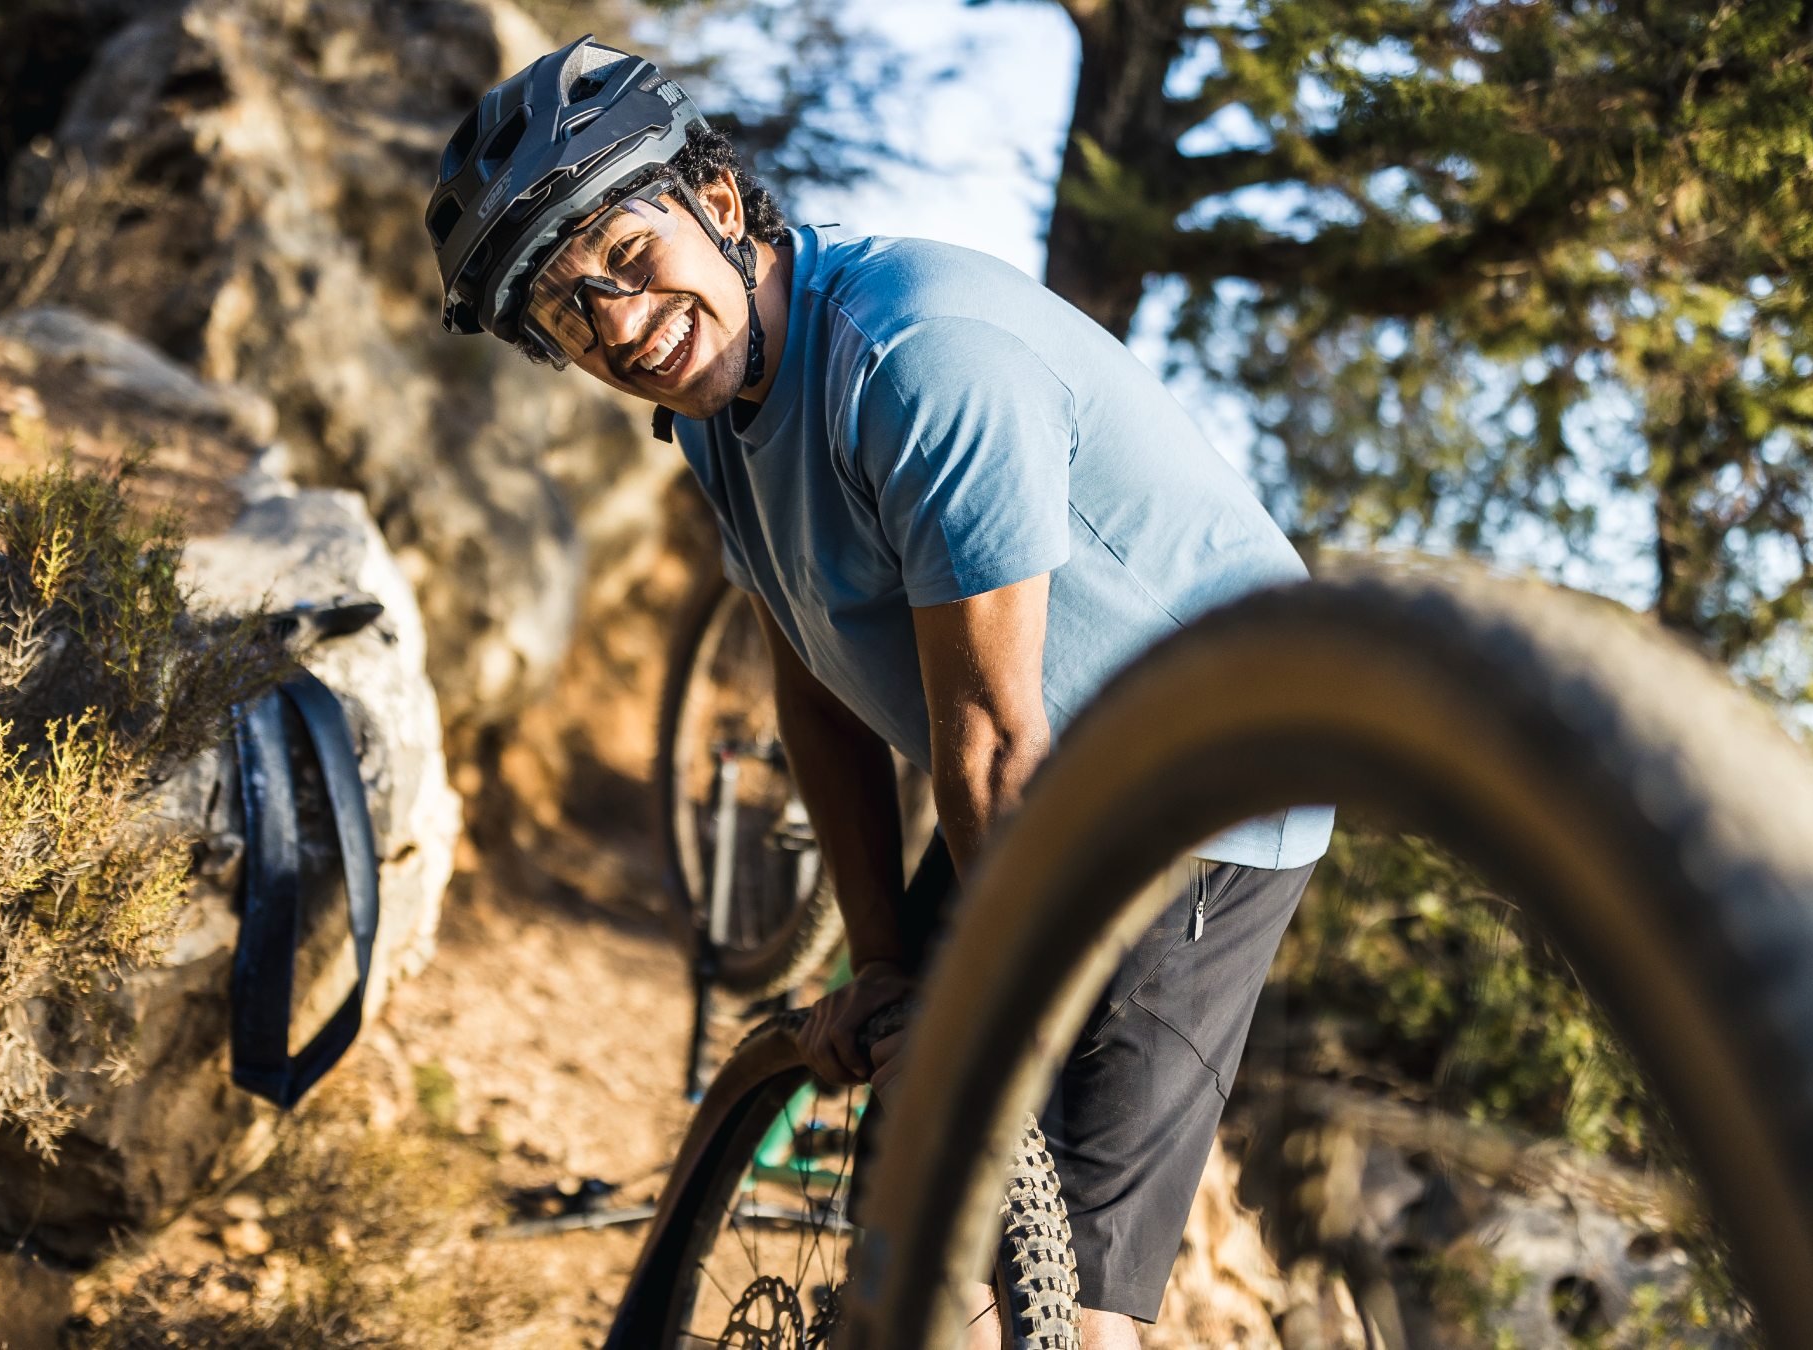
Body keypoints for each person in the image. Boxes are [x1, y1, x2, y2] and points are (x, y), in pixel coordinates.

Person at [428, 35, 1333, 1347]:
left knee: (1059, 1303)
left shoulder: (914, 359)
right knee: (905, 1240)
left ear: (719, 205)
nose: (618, 324)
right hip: (1034, 784)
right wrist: (886, 965)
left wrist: (979, 1037)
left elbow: (992, 748)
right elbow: (818, 690)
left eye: (627, 261)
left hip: (1200, 784)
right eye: (572, 311)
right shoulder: (712, 408)